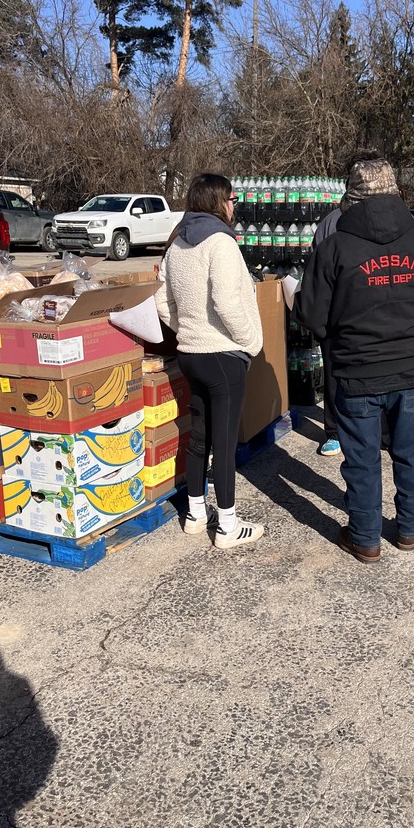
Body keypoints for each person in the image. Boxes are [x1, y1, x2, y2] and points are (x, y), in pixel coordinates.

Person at [294, 156, 414, 563]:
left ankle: (365, 536)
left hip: (356, 373)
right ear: (396, 195)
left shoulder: (334, 247)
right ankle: (411, 524)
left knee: (362, 458)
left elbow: (311, 315)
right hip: (413, 370)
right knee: (411, 450)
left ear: (350, 200)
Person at [155, 173, 265, 548]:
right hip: (222, 355)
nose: (235, 206)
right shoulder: (221, 243)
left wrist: (185, 328)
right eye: (232, 199)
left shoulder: (177, 243)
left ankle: (195, 514)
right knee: (225, 442)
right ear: (219, 202)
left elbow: (161, 302)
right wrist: (251, 342)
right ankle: (228, 526)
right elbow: (228, 303)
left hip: (190, 354)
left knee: (199, 438)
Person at [311, 204, 342, 456]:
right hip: (333, 312)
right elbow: (315, 268)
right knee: (332, 373)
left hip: (366, 315)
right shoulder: (331, 223)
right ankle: (333, 432)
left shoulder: (383, 219)